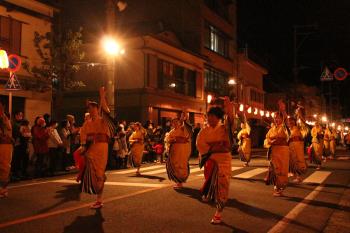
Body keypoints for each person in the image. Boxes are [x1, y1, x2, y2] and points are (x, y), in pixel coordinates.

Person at [196, 97, 235, 224]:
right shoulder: (204, 130)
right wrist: (217, 146)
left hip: (223, 161)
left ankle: (219, 211)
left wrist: (228, 106)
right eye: (209, 116)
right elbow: (200, 144)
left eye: (213, 116)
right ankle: (213, 201)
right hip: (211, 161)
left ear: (218, 117)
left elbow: (230, 120)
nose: (210, 118)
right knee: (212, 186)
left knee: (222, 186)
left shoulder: (224, 128)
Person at [79, 87, 111, 209]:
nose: (91, 111)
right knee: (92, 171)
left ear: (97, 109)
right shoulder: (87, 123)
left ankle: (99, 199)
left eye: (93, 108)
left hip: (102, 148)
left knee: (99, 172)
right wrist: (83, 145)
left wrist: (102, 97)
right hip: (91, 149)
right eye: (89, 109)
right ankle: (100, 182)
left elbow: (107, 111)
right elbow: (83, 134)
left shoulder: (103, 120)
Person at [264, 111, 290, 197]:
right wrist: (271, 141)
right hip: (274, 150)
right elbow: (267, 139)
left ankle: (280, 188)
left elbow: (287, 132)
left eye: (278, 117)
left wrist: (283, 111)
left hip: (283, 151)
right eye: (275, 117)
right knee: (274, 168)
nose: (276, 119)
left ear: (282, 119)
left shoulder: (284, 127)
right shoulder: (272, 129)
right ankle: (276, 187)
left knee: (282, 169)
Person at [165, 113, 192, 189]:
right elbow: (168, 140)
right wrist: (175, 139)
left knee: (181, 164)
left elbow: (188, 131)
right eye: (173, 122)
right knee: (175, 165)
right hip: (174, 150)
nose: (175, 123)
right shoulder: (171, 132)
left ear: (179, 122)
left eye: (176, 121)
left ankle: (180, 181)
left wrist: (185, 118)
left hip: (182, 150)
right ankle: (178, 181)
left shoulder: (183, 129)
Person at [287, 117, 308, 183]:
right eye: (289, 122)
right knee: (292, 161)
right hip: (291, 147)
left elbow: (304, 126)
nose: (290, 123)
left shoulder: (298, 128)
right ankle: (295, 175)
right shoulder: (289, 130)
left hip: (297, 147)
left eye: (292, 122)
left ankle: (298, 177)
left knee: (297, 161)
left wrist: (300, 115)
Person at [0, 103, 13, 198]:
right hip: (4, 143)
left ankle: (3, 189)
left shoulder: (4, 119)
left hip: (4, 144)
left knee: (4, 167)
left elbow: (8, 131)